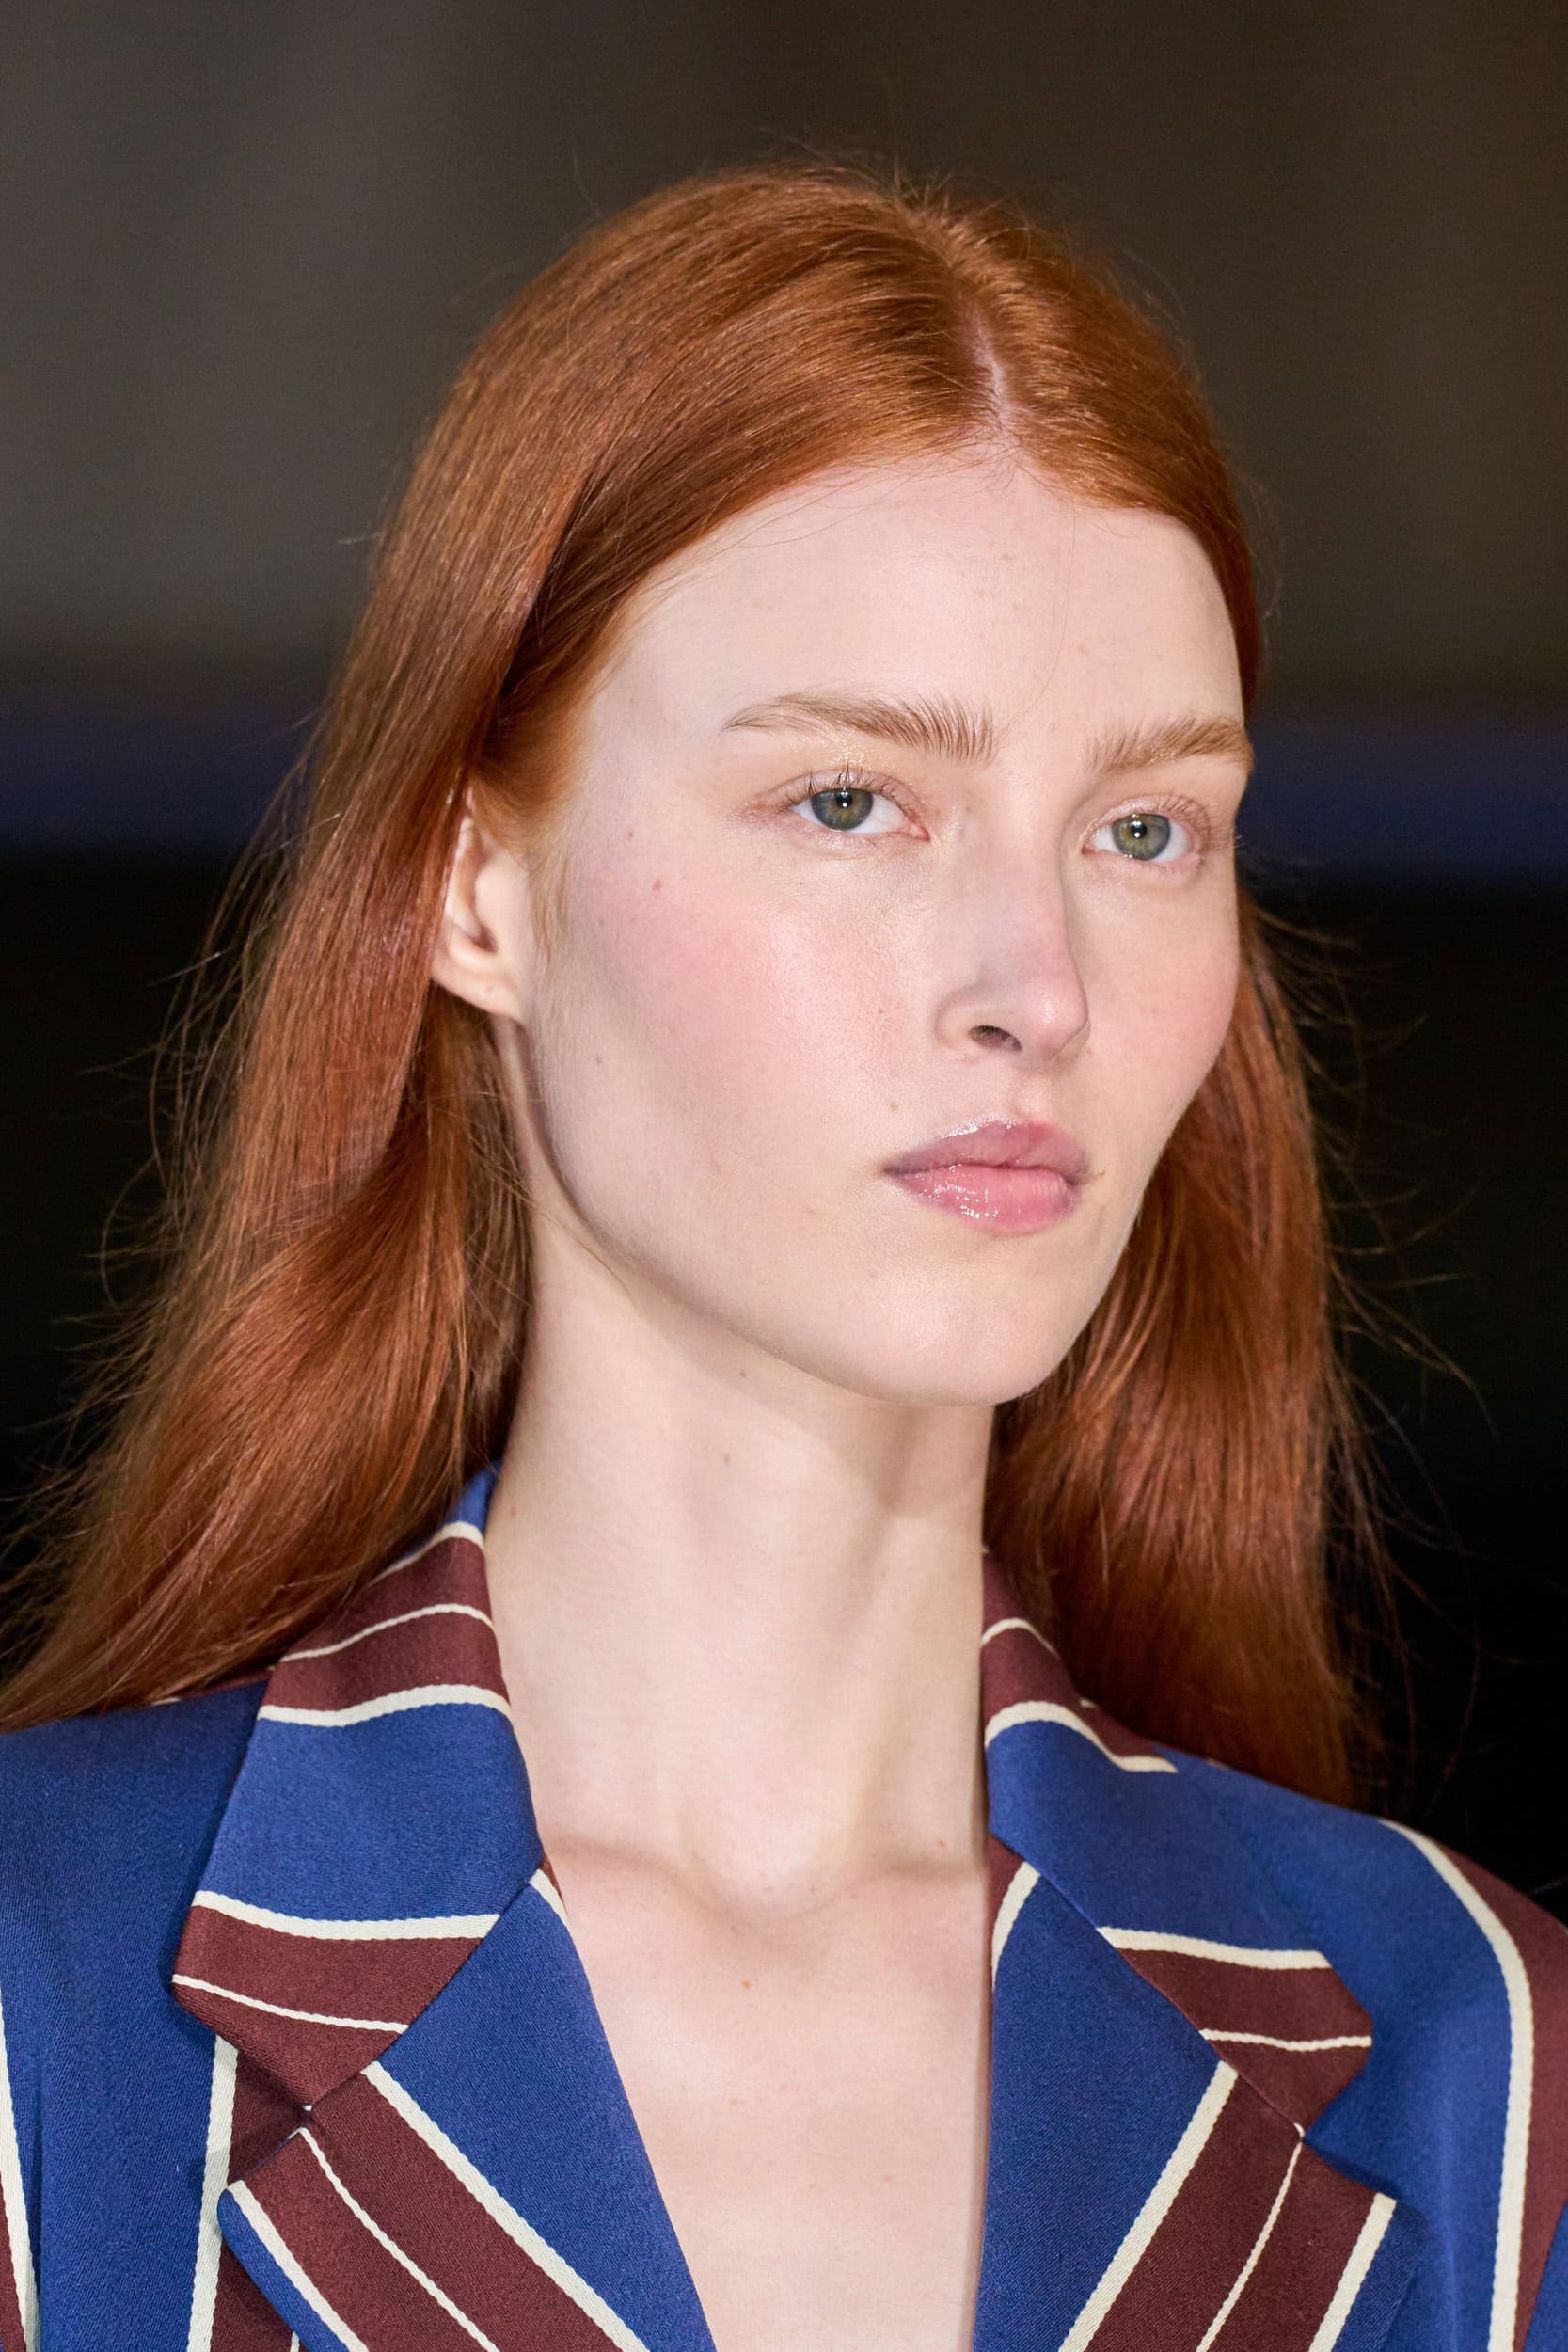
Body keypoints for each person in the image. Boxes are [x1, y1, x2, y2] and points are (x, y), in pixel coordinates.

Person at [0, 157, 1562, 2352]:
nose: (1038, 984)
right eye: (851, 801)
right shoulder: (44, 2008)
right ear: (473, 884)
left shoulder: (1472, 2070)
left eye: (1145, 829)